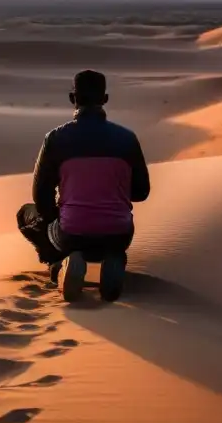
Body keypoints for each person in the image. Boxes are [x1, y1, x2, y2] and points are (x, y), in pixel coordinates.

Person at [17, 70, 150, 302]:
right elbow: (141, 192)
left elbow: (40, 196)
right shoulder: (127, 139)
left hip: (72, 233)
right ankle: (113, 261)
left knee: (25, 214)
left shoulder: (55, 139)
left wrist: (60, 212)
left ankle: (60, 263)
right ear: (105, 99)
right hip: (119, 234)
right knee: (112, 241)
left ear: (73, 99)